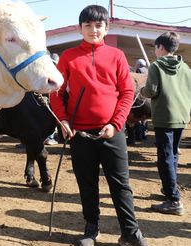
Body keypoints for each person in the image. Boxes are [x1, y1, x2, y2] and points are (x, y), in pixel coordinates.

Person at [49, 5, 147, 246]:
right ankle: (91, 229)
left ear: (106, 28)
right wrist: (62, 119)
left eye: (98, 25)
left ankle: (130, 232)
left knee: (120, 184)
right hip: (79, 133)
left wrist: (116, 123)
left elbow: (126, 92)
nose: (93, 30)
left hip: (112, 132)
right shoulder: (69, 57)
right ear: (80, 28)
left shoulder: (117, 56)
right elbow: (55, 92)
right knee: (87, 183)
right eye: (88, 26)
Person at [140, 31, 191, 216]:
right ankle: (170, 190)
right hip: (182, 116)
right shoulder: (185, 68)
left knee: (165, 158)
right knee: (173, 155)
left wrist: (141, 90)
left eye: (155, 48)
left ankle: (174, 199)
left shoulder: (156, 66)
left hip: (164, 117)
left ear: (161, 47)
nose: (155, 51)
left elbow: (151, 91)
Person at [44, 53, 60, 145]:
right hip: (46, 98)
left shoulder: (56, 73)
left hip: (53, 98)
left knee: (52, 118)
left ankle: (50, 137)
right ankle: (49, 137)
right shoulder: (48, 71)